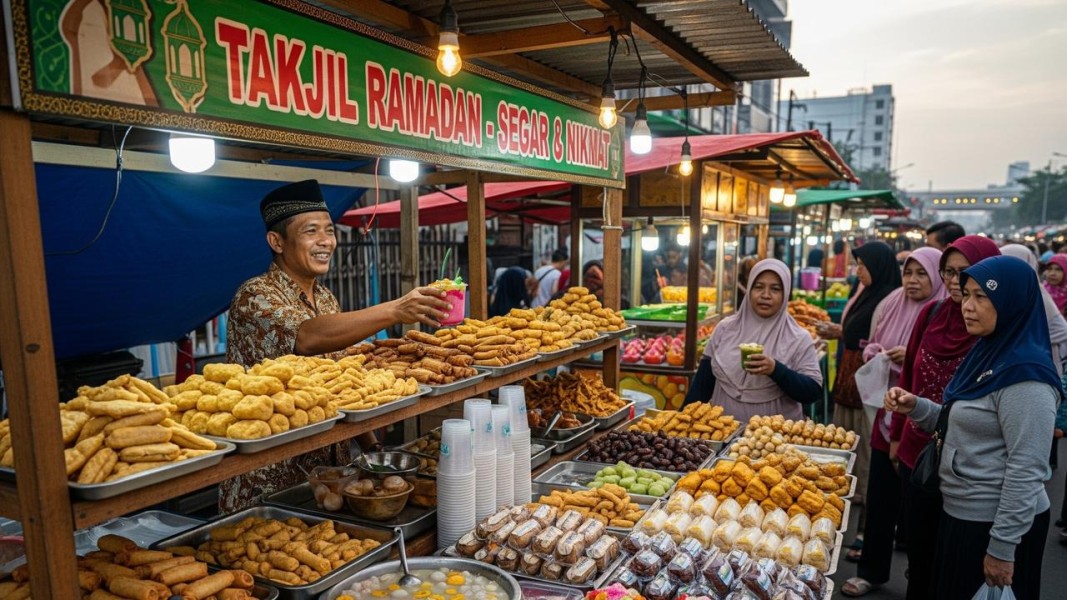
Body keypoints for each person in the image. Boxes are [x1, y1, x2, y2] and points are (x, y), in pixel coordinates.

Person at [223, 179, 452, 514]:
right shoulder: (255, 295)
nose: (325, 241)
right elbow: (308, 337)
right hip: (270, 478)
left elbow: (343, 378)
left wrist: (371, 446)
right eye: (310, 231)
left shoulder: (327, 298)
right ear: (277, 241)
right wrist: (394, 310)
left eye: (329, 231)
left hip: (331, 475)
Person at [885, 255, 1058, 600]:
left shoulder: (1027, 378)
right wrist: (917, 406)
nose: (968, 306)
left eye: (983, 296)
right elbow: (965, 424)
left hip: (993, 525)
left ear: (1011, 301)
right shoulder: (989, 352)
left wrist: (1002, 548)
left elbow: (1027, 468)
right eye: (967, 294)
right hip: (960, 512)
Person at [889, 234, 1000, 599]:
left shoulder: (992, 328)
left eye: (965, 274)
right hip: (917, 452)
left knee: (952, 563)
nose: (955, 283)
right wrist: (897, 434)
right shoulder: (932, 314)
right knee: (918, 556)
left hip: (967, 465)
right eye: (949, 273)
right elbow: (909, 374)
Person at [841, 247, 946, 596]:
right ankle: (871, 569)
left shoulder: (946, 312)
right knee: (880, 495)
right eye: (908, 273)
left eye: (922, 274)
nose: (913, 281)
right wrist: (882, 354)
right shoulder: (890, 304)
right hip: (887, 412)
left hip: (925, 422)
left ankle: (921, 577)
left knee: (920, 504)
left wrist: (910, 356)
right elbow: (870, 346)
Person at [683, 259, 822, 421]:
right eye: (758, 287)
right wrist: (681, 422)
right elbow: (702, 386)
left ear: (785, 295)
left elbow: (812, 392)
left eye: (775, 289)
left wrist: (775, 370)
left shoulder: (798, 338)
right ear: (749, 290)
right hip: (724, 435)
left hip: (773, 441)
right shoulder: (725, 329)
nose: (765, 295)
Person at [819, 241, 901, 514]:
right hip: (850, 373)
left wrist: (843, 333)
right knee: (848, 435)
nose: (857, 271)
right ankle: (848, 486)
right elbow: (853, 330)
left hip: (868, 378)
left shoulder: (889, 299)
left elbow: (868, 337)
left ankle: (864, 492)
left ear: (878, 267)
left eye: (863, 265)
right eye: (857, 265)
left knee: (865, 438)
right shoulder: (864, 292)